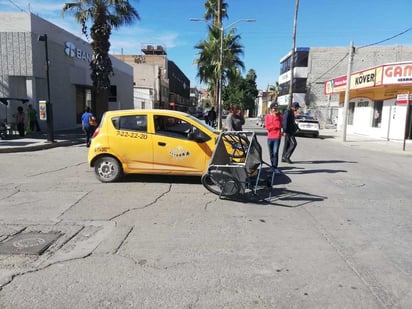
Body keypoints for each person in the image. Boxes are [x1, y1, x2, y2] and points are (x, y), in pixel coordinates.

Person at [265, 102, 283, 173]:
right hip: (270, 137)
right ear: (271, 109)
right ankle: (272, 166)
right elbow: (267, 127)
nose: (275, 110)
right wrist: (274, 126)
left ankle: (275, 167)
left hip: (277, 136)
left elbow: (280, 125)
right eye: (274, 108)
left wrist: (276, 118)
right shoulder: (268, 117)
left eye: (276, 108)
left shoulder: (280, 116)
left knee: (275, 152)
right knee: (271, 152)